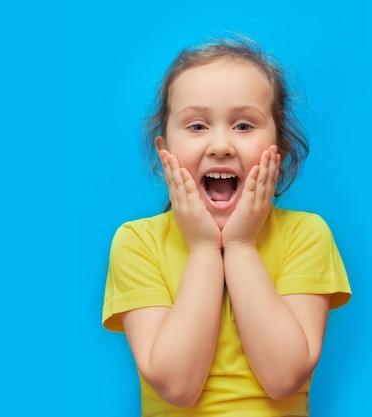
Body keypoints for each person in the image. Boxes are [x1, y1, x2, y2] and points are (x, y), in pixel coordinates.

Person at [101, 35, 352, 416]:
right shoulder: (137, 242)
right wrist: (203, 250)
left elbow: (284, 378)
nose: (221, 145)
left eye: (244, 126)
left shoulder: (307, 235)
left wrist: (240, 246)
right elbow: (177, 386)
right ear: (163, 150)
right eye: (198, 126)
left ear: (280, 150)